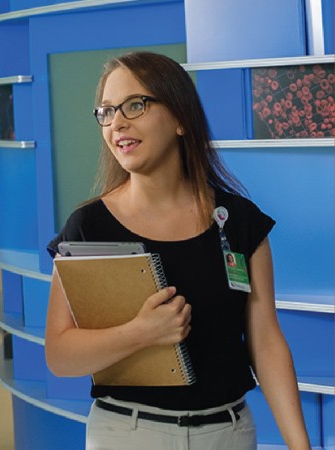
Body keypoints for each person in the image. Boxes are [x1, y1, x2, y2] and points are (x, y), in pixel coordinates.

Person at [45, 52, 310, 449]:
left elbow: (266, 343)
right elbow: (60, 355)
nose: (117, 122)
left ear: (181, 118)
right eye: (107, 111)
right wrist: (139, 333)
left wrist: (299, 445)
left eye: (135, 105)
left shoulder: (238, 220)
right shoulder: (87, 228)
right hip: (127, 434)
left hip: (230, 433)